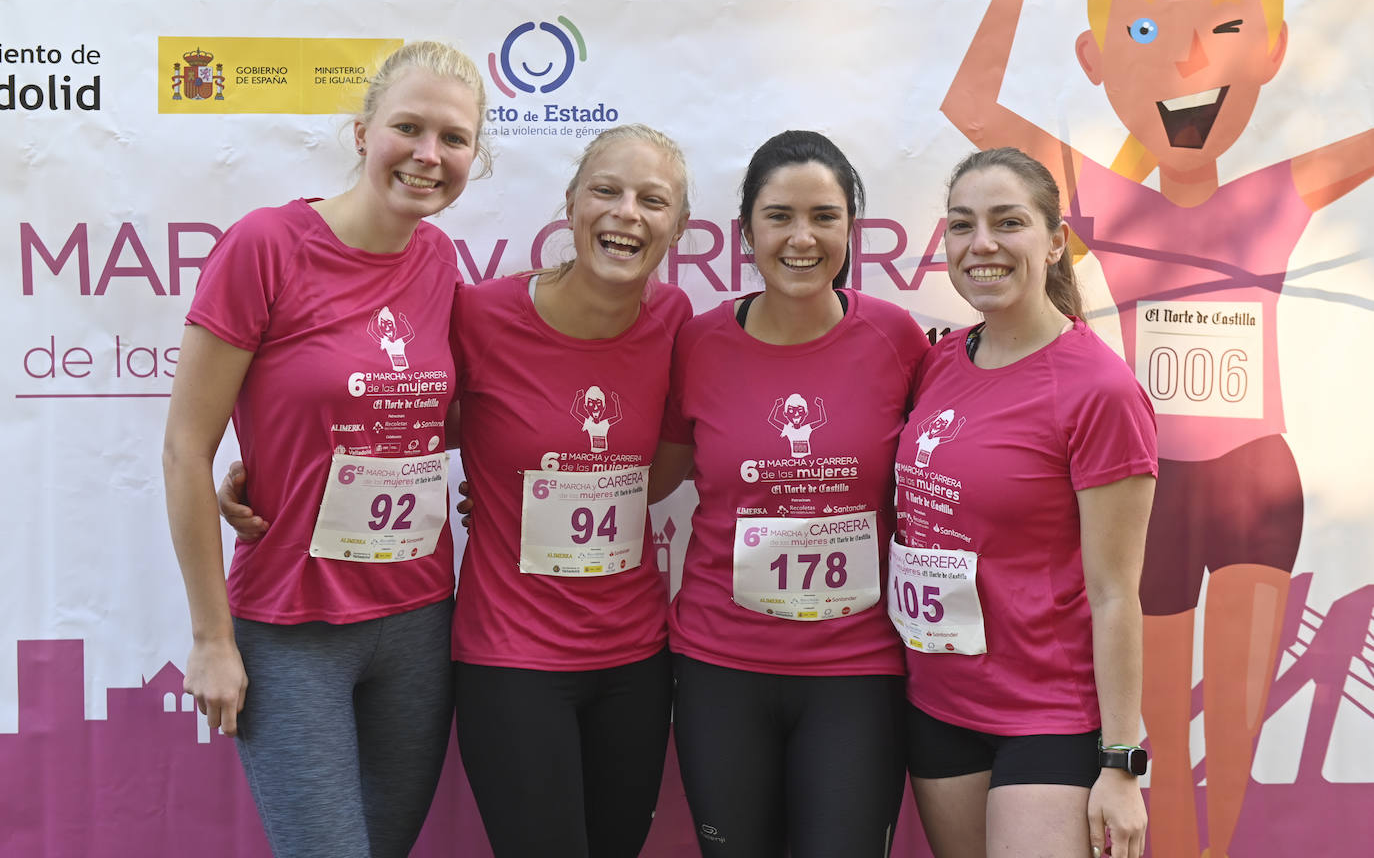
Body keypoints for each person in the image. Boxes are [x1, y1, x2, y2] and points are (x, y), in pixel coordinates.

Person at [942, 0, 1374, 854]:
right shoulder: (1105, 199)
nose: (1183, 63)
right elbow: (972, 105)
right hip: (1156, 491)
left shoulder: (1275, 194)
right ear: (1099, 64)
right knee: (1157, 740)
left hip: (1258, 480)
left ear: (1269, 55)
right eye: (1144, 33)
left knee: (1237, 742)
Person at [220, 123, 693, 858]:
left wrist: (549, 484)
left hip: (634, 651)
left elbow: (664, 466)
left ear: (678, 227)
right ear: (569, 205)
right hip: (511, 650)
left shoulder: (674, 322)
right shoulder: (481, 314)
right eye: (607, 190)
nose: (628, 212)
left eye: (652, 200)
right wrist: (276, 469)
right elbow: (401, 409)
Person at [162, 41, 486, 858]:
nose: (428, 155)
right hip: (291, 625)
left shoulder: (439, 260)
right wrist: (211, 638)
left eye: (453, 139)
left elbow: (427, 416)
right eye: (407, 128)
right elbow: (184, 448)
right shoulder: (266, 245)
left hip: (417, 618)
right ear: (360, 132)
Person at [651, 130, 930, 856]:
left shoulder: (898, 340)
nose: (801, 238)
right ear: (746, 230)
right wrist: (500, 491)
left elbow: (951, 472)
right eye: (778, 216)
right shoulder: (700, 342)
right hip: (722, 665)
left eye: (824, 216)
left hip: (856, 671)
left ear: (850, 228)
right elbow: (658, 474)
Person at [890, 147, 1156, 858]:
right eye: (961, 225)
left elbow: (1114, 593)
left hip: (1048, 717)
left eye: (1008, 222)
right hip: (939, 705)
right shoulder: (939, 363)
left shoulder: (1098, 390)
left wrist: (1121, 761)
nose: (982, 245)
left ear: (1055, 240)